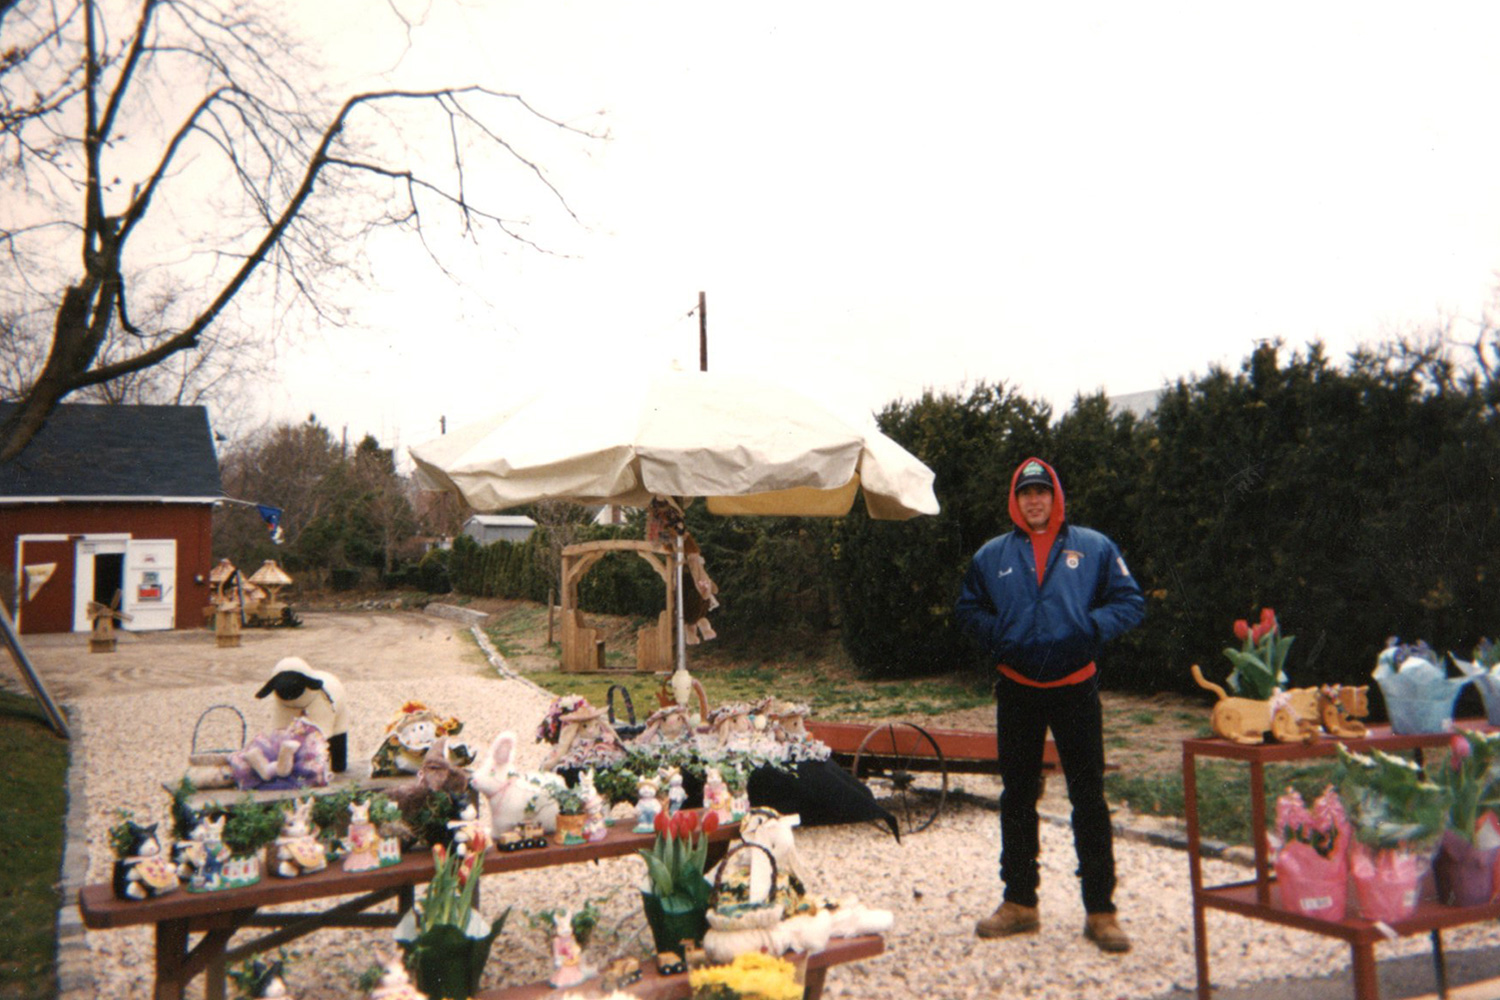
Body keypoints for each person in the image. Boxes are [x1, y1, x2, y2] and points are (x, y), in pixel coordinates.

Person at [954, 457, 1145, 953]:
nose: (1034, 500)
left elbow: (1129, 602)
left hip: (1075, 687)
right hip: (1017, 689)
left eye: (1041, 491)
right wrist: (1000, 635)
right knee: (1017, 795)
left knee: (1089, 797)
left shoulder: (1094, 547)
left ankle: (1101, 911)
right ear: (1015, 502)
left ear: (1055, 495)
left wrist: (1088, 630)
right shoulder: (992, 555)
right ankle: (1020, 903)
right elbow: (969, 608)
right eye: (1025, 493)